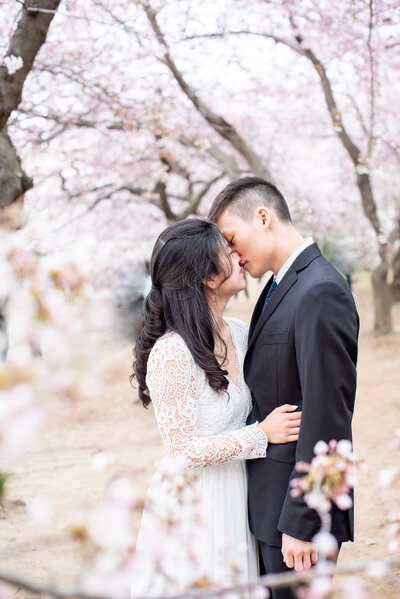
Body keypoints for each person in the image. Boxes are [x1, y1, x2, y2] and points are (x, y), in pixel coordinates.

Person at [130, 218, 302, 596]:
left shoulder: (240, 332)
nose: (238, 256)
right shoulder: (172, 352)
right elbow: (183, 451)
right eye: (227, 252)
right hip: (195, 503)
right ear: (207, 277)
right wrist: (260, 435)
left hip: (240, 492)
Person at [209, 177, 359, 599]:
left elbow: (328, 415)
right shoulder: (278, 287)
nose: (231, 255)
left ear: (263, 218)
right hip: (268, 507)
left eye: (232, 239)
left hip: (295, 520)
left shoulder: (320, 290)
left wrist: (303, 521)